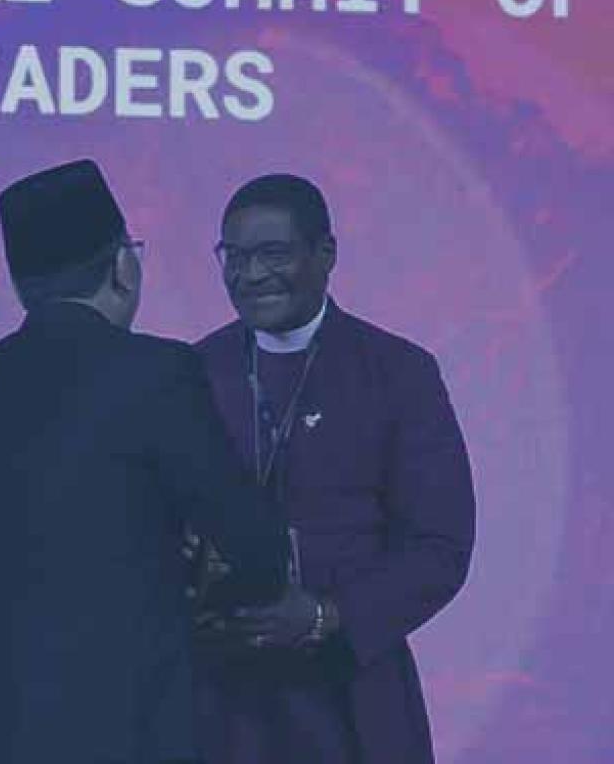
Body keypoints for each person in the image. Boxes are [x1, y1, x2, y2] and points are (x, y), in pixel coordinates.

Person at [0, 159, 290, 764]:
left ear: (21, 287)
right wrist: (208, 602)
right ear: (124, 265)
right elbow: (253, 541)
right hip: (125, 716)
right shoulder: (159, 373)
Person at [192, 174, 476, 764]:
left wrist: (326, 616)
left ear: (325, 255)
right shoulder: (193, 371)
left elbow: (440, 545)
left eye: (272, 253)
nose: (249, 275)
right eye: (234, 256)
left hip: (354, 689)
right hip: (222, 696)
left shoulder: (397, 372)